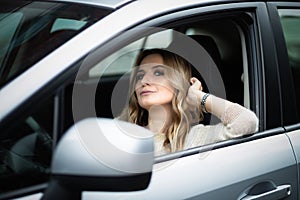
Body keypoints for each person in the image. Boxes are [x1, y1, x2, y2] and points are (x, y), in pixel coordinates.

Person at [119, 48, 258, 156]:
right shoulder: (122, 128)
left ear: (177, 83)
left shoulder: (193, 138)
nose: (144, 82)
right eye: (140, 75)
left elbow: (246, 121)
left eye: (158, 73)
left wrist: (199, 97)